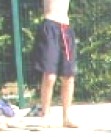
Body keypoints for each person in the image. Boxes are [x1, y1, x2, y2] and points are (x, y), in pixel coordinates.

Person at [31, 0, 78, 128]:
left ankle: (67, 117)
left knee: (68, 76)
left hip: (66, 28)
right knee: (50, 76)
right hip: (50, 26)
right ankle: (45, 115)